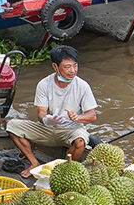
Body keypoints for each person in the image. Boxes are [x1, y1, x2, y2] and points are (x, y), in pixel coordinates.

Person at [6, 46, 98, 178]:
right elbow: (41, 113)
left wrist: (78, 117)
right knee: (12, 126)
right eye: (67, 67)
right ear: (55, 67)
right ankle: (34, 163)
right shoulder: (44, 84)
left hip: (71, 130)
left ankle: (65, 171)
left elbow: (92, 116)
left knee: (80, 142)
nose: (72, 71)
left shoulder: (82, 86)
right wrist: (47, 119)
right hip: (48, 130)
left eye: (75, 66)